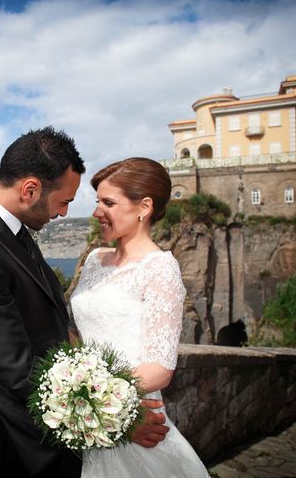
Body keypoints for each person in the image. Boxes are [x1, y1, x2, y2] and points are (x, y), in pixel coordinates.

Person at [0, 130, 170, 477]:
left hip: (64, 425)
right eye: (63, 201)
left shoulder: (9, 231)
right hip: (30, 439)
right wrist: (115, 419)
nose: (64, 213)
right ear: (30, 190)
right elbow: (17, 371)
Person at [70, 157, 209, 477]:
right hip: (94, 421)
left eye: (108, 202)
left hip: (135, 416)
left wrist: (95, 398)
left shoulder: (160, 268)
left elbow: (160, 369)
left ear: (144, 207)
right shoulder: (94, 259)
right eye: (97, 202)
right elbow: (78, 332)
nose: (96, 212)